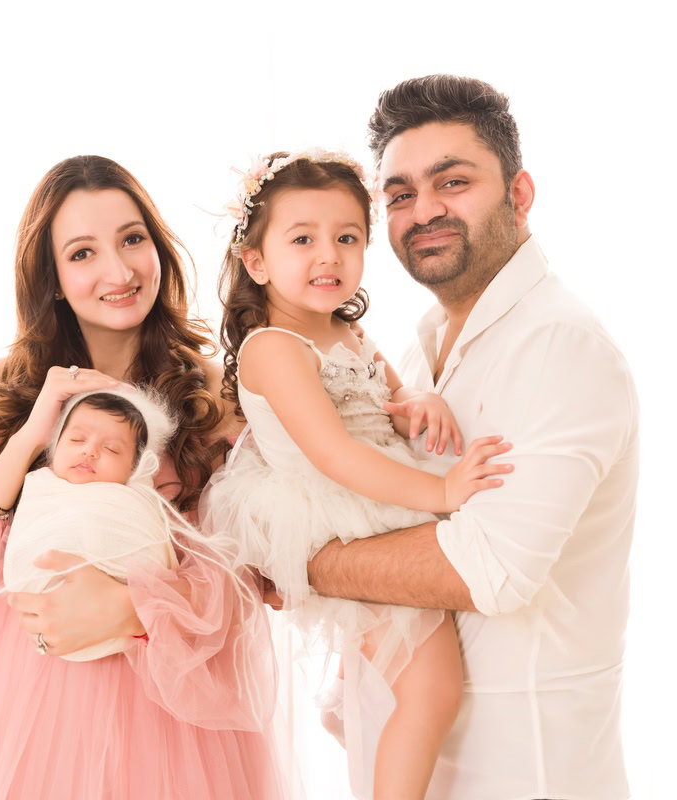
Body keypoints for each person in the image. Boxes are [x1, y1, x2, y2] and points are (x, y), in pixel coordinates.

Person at [299, 75, 640, 799]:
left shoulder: (562, 346)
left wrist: (304, 563)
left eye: (452, 182)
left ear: (519, 194)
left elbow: (487, 568)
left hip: (524, 772)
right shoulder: (418, 353)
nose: (424, 212)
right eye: (399, 195)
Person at [0, 155, 283, 799]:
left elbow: (252, 574)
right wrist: (31, 435)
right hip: (29, 713)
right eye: (82, 253)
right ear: (51, 277)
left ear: (158, 248)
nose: (119, 271)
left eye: (133, 239)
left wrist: (131, 606)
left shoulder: (213, 396)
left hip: (172, 724)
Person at [201, 148, 513, 799]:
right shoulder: (273, 349)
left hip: (375, 487)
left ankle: (351, 690)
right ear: (256, 262)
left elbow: (389, 402)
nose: (329, 256)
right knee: (431, 689)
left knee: (423, 678)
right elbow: (336, 455)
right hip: (333, 508)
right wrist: (441, 490)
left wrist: (418, 405)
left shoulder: (346, 329)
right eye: (303, 239)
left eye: (347, 237)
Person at [2, 388, 257, 669]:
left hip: (134, 640)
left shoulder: (132, 502)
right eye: (76, 439)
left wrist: (124, 602)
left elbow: (157, 559)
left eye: (112, 449)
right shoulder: (40, 486)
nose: (89, 450)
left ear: (135, 468)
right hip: (36, 644)